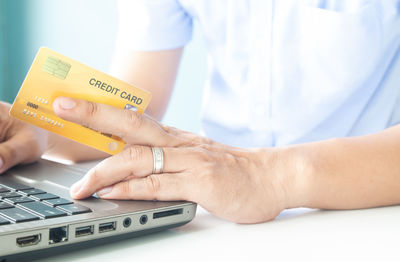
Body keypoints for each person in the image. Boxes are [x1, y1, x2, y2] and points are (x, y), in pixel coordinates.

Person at [0, 0, 400, 224]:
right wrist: (41, 127)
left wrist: (271, 177)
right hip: (221, 203)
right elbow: (140, 103)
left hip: (367, 205)